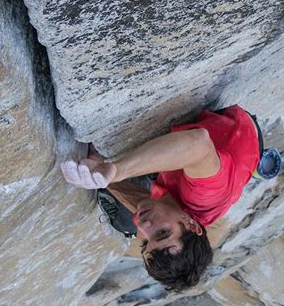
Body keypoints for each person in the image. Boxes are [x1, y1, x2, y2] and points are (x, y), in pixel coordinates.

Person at [61, 105, 262, 291]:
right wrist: (115, 170)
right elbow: (198, 143)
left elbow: (141, 205)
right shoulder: (205, 195)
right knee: (129, 211)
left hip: (206, 172)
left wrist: (102, 177)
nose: (144, 226)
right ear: (192, 226)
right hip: (233, 128)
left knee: (129, 221)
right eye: (162, 233)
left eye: (145, 243)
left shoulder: (173, 218)